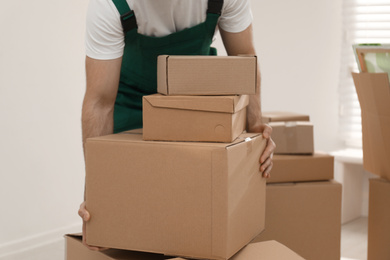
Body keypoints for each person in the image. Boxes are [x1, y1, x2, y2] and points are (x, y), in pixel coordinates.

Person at [78, 0, 276, 250]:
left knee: (195, 220)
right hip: (130, 108)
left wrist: (256, 128)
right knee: (130, 226)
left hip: (195, 104)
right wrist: (97, 195)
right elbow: (99, 103)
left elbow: (245, 57)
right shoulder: (110, 5)